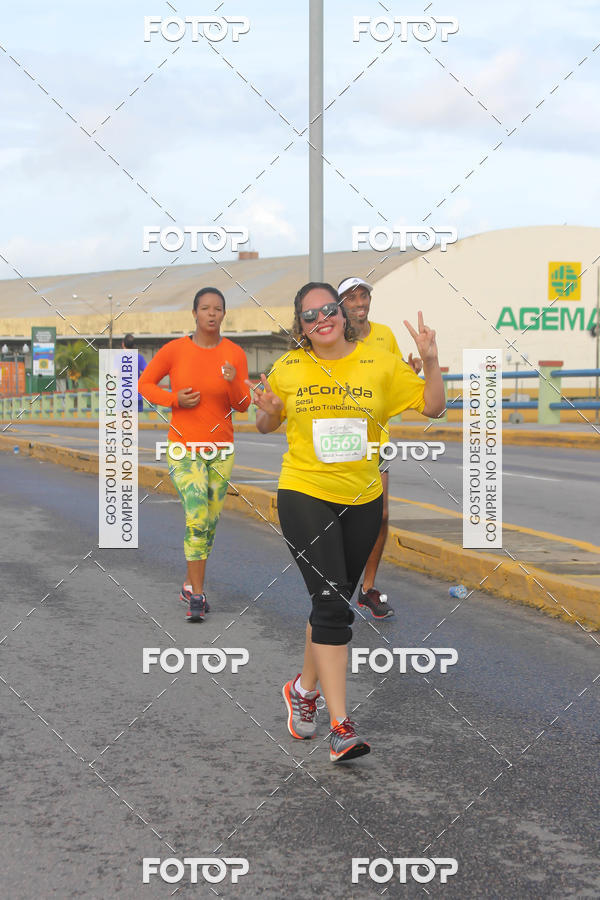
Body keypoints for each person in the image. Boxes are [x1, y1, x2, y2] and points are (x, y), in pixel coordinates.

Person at [248, 282, 444, 762]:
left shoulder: (379, 359)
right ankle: (341, 726)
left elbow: (434, 406)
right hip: (303, 491)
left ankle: (303, 688)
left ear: (343, 313)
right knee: (334, 601)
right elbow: (266, 422)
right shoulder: (290, 367)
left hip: (362, 499)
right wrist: (269, 412)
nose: (323, 319)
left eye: (329, 309)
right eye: (311, 315)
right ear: (302, 327)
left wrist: (433, 360)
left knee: (329, 601)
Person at [139, 287, 250, 621]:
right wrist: (175, 399)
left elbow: (243, 405)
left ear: (224, 315)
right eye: (205, 308)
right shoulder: (175, 350)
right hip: (184, 447)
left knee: (210, 523)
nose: (212, 314)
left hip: (221, 451)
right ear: (195, 314)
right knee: (197, 515)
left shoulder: (235, 354)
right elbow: (145, 384)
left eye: (218, 308)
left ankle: (190, 582)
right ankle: (198, 597)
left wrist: (232, 382)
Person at [337, 276, 422, 620]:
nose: (360, 303)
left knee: (381, 515)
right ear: (340, 304)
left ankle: (368, 589)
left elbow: (399, 378)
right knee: (343, 515)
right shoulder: (334, 336)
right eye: (352, 298)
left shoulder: (385, 334)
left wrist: (413, 371)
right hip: (341, 437)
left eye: (364, 296)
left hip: (378, 439)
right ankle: (337, 586)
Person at [122, 333, 147, 413]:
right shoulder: (139, 357)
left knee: (123, 421)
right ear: (133, 345)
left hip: (123, 395)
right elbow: (147, 371)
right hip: (137, 394)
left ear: (123, 344)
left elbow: (115, 374)